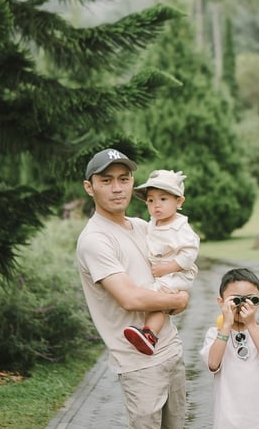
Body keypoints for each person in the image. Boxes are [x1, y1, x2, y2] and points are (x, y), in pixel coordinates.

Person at [76, 148, 189, 429]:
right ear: (89, 187)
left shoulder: (143, 227)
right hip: (139, 364)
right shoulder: (95, 240)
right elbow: (130, 298)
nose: (117, 188)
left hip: (171, 350)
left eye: (124, 179)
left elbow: (176, 269)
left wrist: (182, 293)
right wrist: (176, 300)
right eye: (106, 180)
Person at [124, 169, 200, 355]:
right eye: (151, 200)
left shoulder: (179, 227)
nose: (156, 205)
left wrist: (168, 268)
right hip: (165, 271)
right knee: (155, 295)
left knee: (157, 297)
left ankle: (150, 335)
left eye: (163, 199)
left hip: (178, 272)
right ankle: (148, 331)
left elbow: (190, 253)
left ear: (179, 201)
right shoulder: (153, 222)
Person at [200, 267, 259, 429]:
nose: (242, 306)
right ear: (221, 302)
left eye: (250, 300)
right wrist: (226, 325)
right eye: (236, 300)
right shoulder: (214, 334)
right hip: (230, 422)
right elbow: (213, 363)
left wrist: (251, 323)